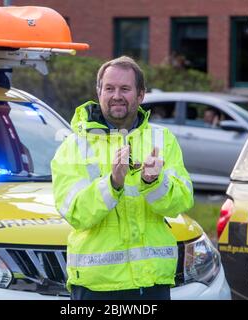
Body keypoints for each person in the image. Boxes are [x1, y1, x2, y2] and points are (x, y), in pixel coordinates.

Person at [51, 56, 194, 300]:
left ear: (141, 95)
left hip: (151, 285)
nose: (116, 95)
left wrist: (153, 183)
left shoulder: (163, 139)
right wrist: (112, 183)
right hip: (96, 288)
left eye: (125, 89)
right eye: (109, 88)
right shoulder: (73, 145)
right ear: (99, 92)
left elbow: (182, 202)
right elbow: (76, 213)